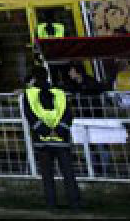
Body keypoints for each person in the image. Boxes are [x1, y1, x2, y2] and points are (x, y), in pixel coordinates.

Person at [22, 71, 81, 211]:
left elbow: (30, 116)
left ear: (33, 79)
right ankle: (75, 203)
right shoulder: (60, 92)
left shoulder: (28, 94)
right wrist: (59, 130)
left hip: (42, 141)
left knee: (47, 175)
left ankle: (51, 204)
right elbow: (68, 114)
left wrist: (45, 131)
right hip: (61, 139)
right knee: (68, 173)